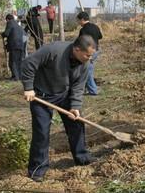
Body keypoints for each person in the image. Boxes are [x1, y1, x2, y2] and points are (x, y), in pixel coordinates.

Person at [21, 35, 97, 182]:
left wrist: (75, 106)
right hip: (42, 96)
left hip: (64, 94)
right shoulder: (53, 50)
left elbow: (78, 86)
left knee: (76, 123)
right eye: (87, 55)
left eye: (91, 55)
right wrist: (28, 87)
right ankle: (37, 170)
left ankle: (82, 157)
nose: (89, 58)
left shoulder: (85, 64)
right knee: (41, 132)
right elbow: (28, 63)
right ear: (76, 49)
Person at [77, 11, 103, 95]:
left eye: (78, 20)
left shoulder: (83, 30)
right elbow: (100, 36)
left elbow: (80, 42)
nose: (78, 22)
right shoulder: (95, 26)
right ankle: (88, 87)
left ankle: (93, 90)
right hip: (96, 50)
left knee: (87, 70)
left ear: (82, 20)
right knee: (89, 69)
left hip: (89, 53)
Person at [1, 14, 25, 81]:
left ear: (7, 19)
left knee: (12, 62)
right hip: (21, 45)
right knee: (19, 62)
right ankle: (19, 76)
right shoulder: (17, 25)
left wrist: (2, 34)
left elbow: (6, 33)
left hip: (14, 46)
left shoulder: (10, 23)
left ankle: (15, 77)